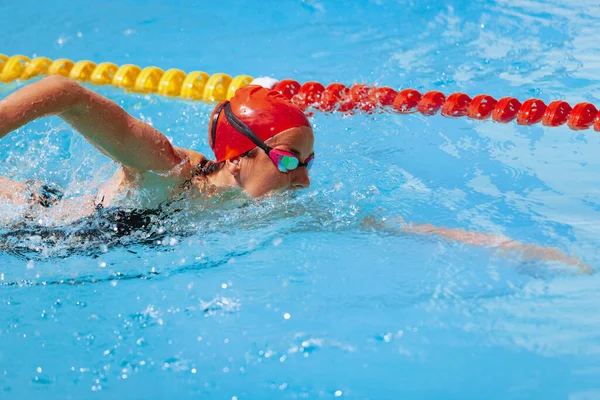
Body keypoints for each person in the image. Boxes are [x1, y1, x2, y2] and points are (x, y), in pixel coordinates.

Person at [0, 75, 592, 273]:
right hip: (44, 228)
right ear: (239, 157)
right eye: (289, 161)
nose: (304, 180)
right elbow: (63, 91)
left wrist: (514, 248)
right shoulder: (164, 171)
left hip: (69, 222)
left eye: (308, 162)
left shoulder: (269, 204)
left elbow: (381, 227)